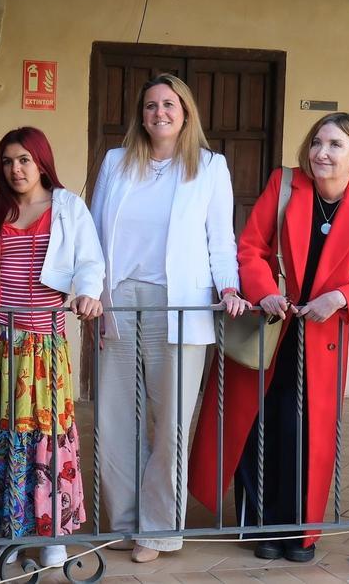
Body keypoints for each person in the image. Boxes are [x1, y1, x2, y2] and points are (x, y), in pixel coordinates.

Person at [190, 113, 349, 563]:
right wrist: (265, 293)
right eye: (318, 141)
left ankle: (301, 533)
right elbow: (251, 249)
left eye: (335, 144)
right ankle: (260, 529)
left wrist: (339, 297)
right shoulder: (285, 185)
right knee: (256, 428)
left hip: (321, 341)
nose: (322, 152)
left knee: (305, 436)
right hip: (270, 331)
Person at [89, 74, 248, 563]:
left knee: (171, 419)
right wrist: (89, 290)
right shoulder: (117, 162)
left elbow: (220, 239)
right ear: (141, 114)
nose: (159, 112)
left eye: (169, 105)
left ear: (185, 112)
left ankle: (158, 529)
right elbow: (94, 231)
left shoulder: (210, 167)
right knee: (115, 414)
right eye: (151, 105)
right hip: (116, 298)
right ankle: (124, 519)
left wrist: (229, 286)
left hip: (177, 302)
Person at [0, 127, 105, 568]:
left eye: (25, 159)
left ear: (42, 161)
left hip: (44, 345)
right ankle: (11, 530)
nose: (16, 169)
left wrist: (87, 293)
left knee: (48, 434)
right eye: (8, 161)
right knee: (6, 434)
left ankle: (53, 535)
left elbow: (89, 260)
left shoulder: (67, 208)